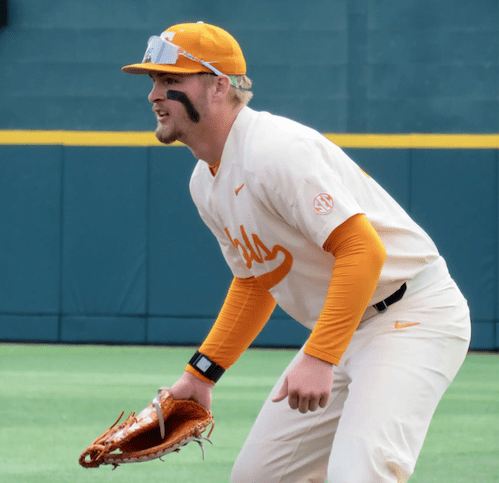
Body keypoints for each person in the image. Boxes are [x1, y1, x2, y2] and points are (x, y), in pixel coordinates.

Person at [122, 22, 471, 483]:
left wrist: (321, 356)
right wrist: (201, 373)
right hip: (345, 325)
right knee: (257, 477)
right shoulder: (204, 181)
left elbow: (363, 250)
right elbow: (256, 280)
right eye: (153, 81)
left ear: (219, 86)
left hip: (411, 315)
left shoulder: (275, 149)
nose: (154, 95)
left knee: (359, 473)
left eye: (170, 80)